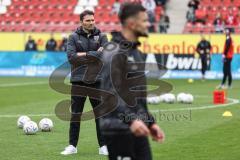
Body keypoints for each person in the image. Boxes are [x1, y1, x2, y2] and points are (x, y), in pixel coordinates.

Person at [99, 3, 165, 160]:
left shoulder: (136, 52)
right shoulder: (114, 51)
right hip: (118, 129)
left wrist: (150, 123)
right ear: (131, 24)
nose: (148, 24)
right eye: (144, 21)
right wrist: (131, 120)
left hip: (137, 126)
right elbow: (110, 94)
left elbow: (138, 97)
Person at [61, 10, 108, 156]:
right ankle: (72, 146)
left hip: (96, 80)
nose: (91, 22)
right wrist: (92, 53)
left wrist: (84, 54)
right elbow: (71, 57)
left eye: (93, 20)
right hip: (78, 80)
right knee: (76, 115)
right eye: (88, 20)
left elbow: (105, 56)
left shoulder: (102, 36)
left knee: (100, 115)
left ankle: (103, 146)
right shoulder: (73, 37)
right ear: (81, 22)